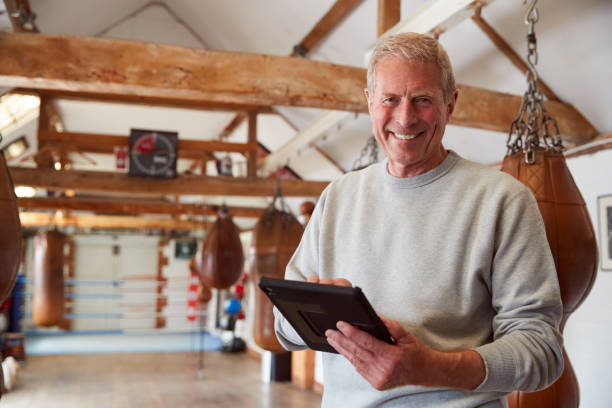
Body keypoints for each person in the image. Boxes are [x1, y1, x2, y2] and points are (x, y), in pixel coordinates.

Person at [273, 32, 563, 407]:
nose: (405, 118)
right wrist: (322, 312)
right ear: (369, 103)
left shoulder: (501, 200)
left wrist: (430, 368)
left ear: (450, 104)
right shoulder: (337, 198)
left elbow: (542, 350)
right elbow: (284, 326)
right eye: (390, 99)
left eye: (423, 100)